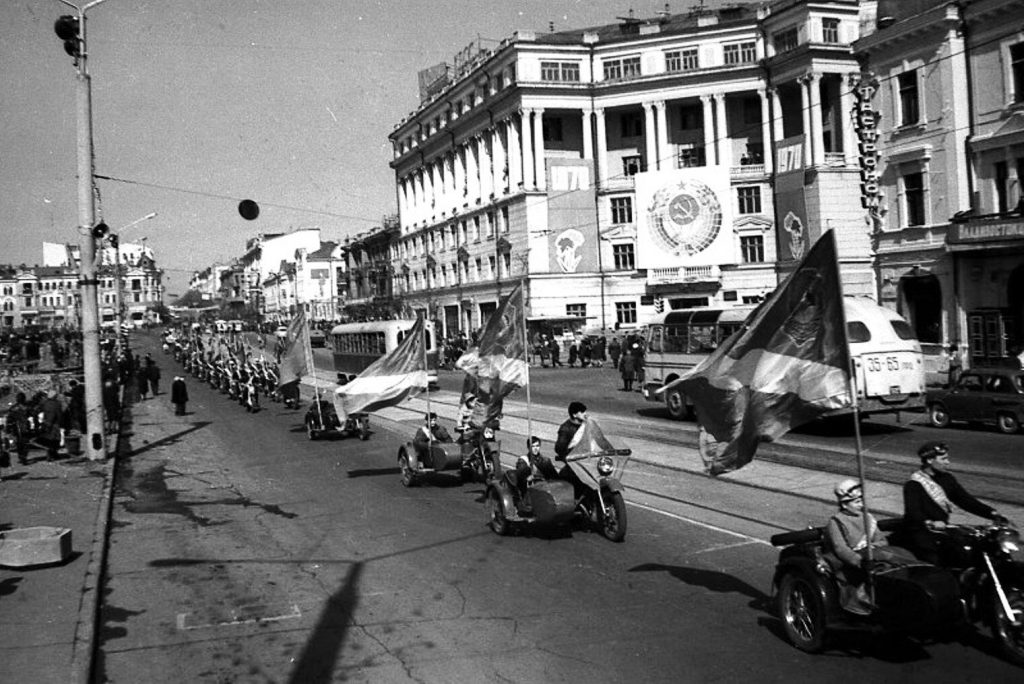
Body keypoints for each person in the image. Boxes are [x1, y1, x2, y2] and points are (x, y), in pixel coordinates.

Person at [902, 441, 1004, 564]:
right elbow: (913, 512)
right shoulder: (914, 484)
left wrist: (992, 513)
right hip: (921, 531)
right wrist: (930, 522)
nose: (947, 462)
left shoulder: (947, 479)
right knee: (935, 562)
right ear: (929, 460)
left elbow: (965, 500)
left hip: (941, 530)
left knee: (971, 550)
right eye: (943, 459)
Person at [825, 479, 914, 615]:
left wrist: (871, 549)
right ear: (844, 504)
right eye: (856, 502)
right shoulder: (836, 522)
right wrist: (859, 560)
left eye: (861, 500)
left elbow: (882, 540)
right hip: (853, 565)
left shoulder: (868, 518)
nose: (860, 505)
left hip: (875, 557)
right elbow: (841, 549)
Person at [507, 436, 560, 513]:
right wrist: (529, 476)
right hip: (529, 489)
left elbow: (554, 475)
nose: (535, 448)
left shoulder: (545, 460)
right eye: (533, 446)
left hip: (546, 487)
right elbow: (522, 475)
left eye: (537, 446)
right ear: (528, 447)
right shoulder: (523, 460)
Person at [38, 389, 64, 461]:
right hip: (55, 424)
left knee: (48, 440)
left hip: (46, 423)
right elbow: (59, 415)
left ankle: (49, 455)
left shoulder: (44, 403)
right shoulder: (57, 404)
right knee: (55, 440)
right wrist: (61, 423)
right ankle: (54, 454)